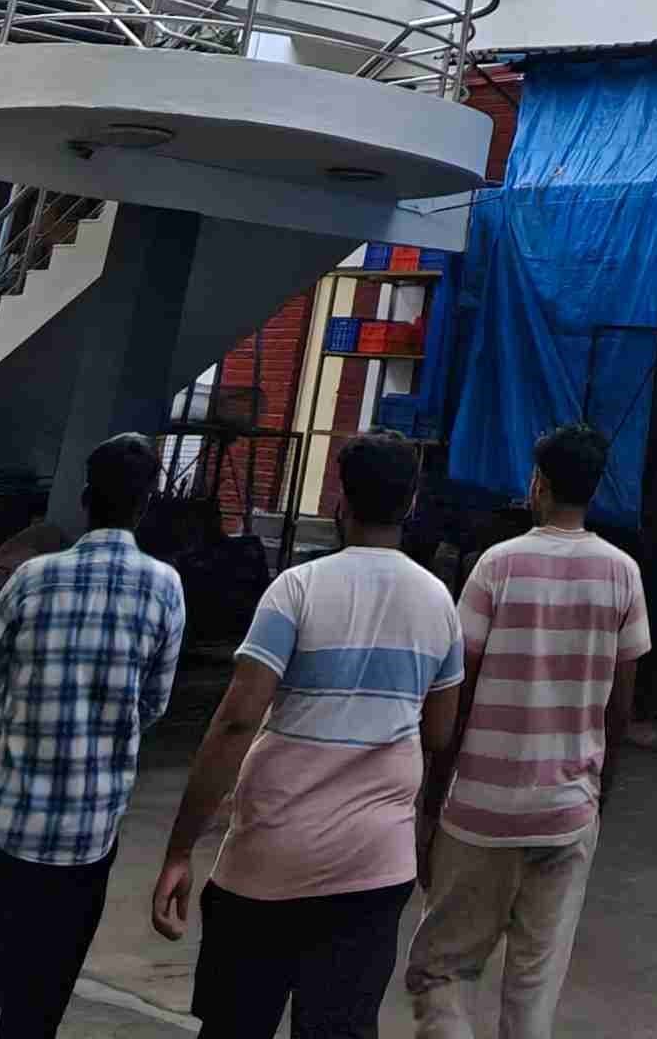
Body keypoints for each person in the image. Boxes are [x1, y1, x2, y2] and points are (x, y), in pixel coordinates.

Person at [151, 433, 465, 1039]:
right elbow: (441, 731)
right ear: (411, 503)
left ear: (341, 499)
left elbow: (237, 721)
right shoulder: (438, 604)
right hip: (375, 865)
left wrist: (180, 849)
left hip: (270, 855)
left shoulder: (296, 589)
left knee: (237, 1023)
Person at [0, 432, 187, 1039]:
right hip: (89, 839)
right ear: (146, 504)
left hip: (2, 827)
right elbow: (151, 705)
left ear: (83, 498)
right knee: (37, 1006)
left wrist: (25, 714)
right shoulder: (165, 588)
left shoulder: (32, 579)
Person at [405, 422, 652, 1039]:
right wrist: (601, 797)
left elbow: (454, 694)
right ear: (593, 489)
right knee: (533, 988)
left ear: (538, 483)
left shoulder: (497, 566)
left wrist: (432, 804)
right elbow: (620, 710)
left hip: (480, 811)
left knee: (441, 971)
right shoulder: (623, 574)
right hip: (568, 812)